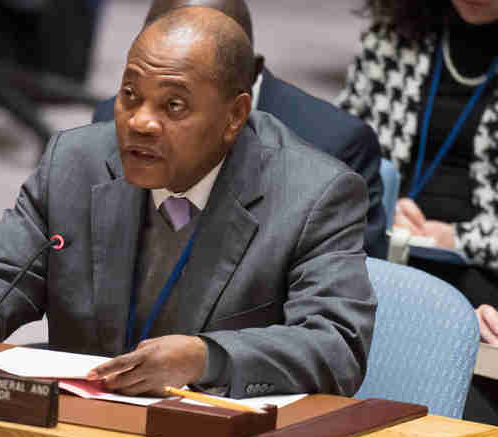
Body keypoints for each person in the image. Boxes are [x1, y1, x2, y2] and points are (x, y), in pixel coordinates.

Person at [0, 6, 376, 398]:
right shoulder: (78, 161)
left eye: (173, 106)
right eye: (130, 95)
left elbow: (335, 344)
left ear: (235, 116)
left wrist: (206, 357)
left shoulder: (314, 194)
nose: (139, 123)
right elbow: (0, 273)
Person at [93, 0, 388, 260]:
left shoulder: (331, 148)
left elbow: (341, 301)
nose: (141, 122)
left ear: (251, 72)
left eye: (174, 102)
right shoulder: (110, 120)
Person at [337, 0, 498, 424]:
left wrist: (458, 239)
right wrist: (378, 203)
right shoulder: (394, 35)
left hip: (483, 268)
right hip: (384, 241)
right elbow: (339, 147)